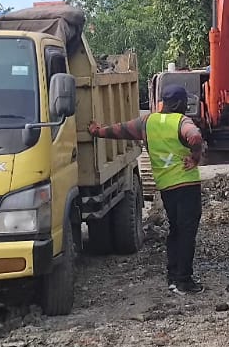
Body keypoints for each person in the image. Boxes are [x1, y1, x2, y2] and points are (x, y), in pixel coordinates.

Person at [89, 85, 207, 294]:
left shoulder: (147, 122)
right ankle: (184, 281)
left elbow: (121, 130)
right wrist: (195, 157)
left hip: (166, 186)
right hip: (186, 185)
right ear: (180, 104)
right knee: (187, 233)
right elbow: (195, 137)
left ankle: (173, 278)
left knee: (176, 230)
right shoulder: (182, 121)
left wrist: (98, 131)